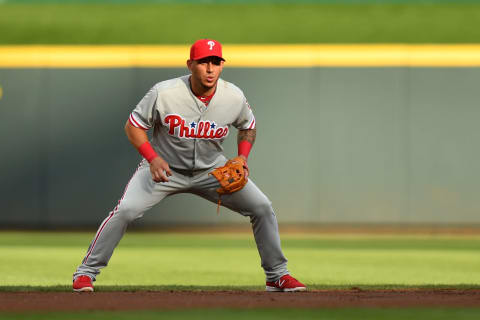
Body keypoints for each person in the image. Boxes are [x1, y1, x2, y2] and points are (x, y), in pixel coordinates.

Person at [72, 39, 306, 293]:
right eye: (204, 62)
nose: (210, 68)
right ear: (190, 65)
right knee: (126, 211)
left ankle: (276, 275)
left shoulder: (233, 96)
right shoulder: (165, 92)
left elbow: (248, 126)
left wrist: (242, 157)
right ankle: (86, 273)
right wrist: (152, 157)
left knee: (261, 207)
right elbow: (134, 126)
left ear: (221, 66)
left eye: (216, 62)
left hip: (212, 172)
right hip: (164, 169)